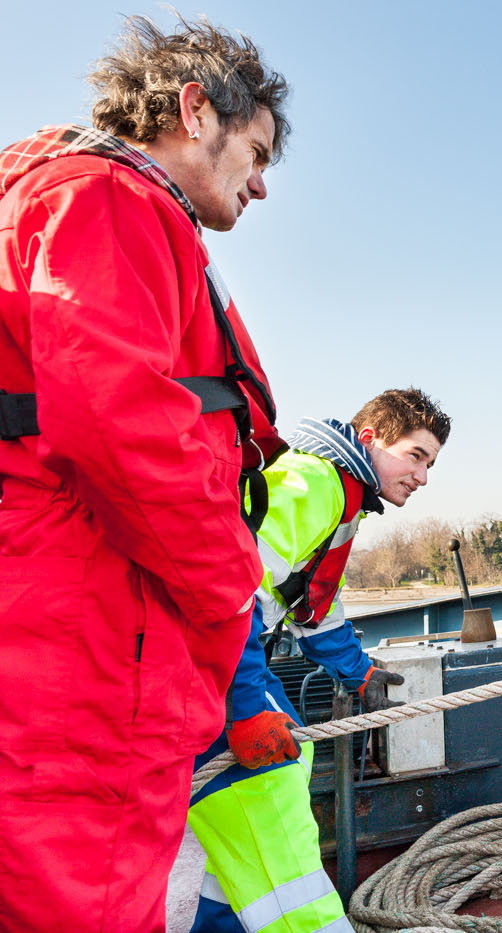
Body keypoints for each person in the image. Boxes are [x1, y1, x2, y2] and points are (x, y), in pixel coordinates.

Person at [0, 16, 289, 931]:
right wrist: (225, 599)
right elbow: (120, 423)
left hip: (53, 629)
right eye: (254, 150)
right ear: (195, 110)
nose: (262, 184)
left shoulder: (43, 197)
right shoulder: (109, 201)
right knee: (90, 896)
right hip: (87, 648)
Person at [189, 388, 451, 933]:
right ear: (371, 439)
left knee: (245, 818)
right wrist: (245, 708)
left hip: (213, 657)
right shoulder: (317, 484)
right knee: (272, 781)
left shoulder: (339, 495)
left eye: (430, 464)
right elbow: (230, 588)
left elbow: (312, 609)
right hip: (205, 662)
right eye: (416, 456)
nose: (422, 477)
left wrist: (361, 673)